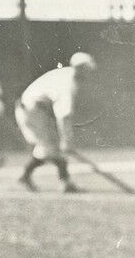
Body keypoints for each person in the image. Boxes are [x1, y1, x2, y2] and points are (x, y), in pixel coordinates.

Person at [14, 52, 97, 192]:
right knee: (52, 147)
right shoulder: (68, 83)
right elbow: (64, 116)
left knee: (50, 147)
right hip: (31, 110)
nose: (89, 74)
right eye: (87, 69)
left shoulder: (68, 76)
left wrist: (64, 140)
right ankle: (63, 182)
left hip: (34, 110)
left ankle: (27, 176)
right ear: (80, 68)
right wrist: (66, 140)